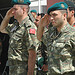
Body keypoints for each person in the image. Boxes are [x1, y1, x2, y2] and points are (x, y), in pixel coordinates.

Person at [0, 0, 39, 75]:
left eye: (15, 9)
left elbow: (32, 53)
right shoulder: (16, 25)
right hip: (14, 70)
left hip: (23, 70)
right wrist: (7, 16)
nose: (13, 12)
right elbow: (2, 29)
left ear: (24, 10)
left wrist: (30, 73)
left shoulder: (29, 27)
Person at [37, 2, 75, 75]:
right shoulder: (52, 33)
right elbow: (39, 38)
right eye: (50, 15)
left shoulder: (72, 34)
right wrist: (41, 25)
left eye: (54, 15)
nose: (51, 18)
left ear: (64, 15)